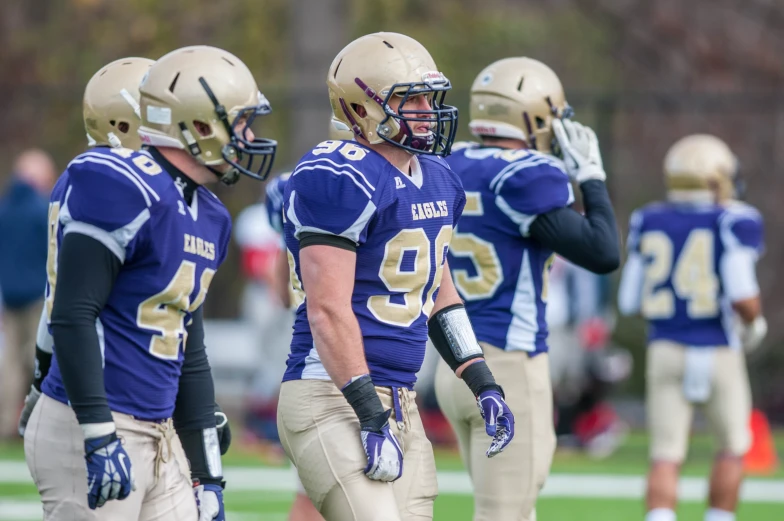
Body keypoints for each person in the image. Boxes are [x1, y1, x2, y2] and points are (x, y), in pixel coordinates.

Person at [23, 46, 277, 521]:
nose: (250, 137)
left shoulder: (212, 216)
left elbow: (190, 349)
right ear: (200, 126)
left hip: (160, 430)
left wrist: (208, 475)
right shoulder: (116, 182)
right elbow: (73, 313)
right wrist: (97, 432)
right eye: (242, 123)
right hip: (94, 422)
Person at [276, 32, 515, 521]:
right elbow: (327, 310)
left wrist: (484, 381)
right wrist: (368, 410)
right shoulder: (338, 174)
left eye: (431, 97)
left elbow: (439, 294)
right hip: (332, 393)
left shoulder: (440, 178)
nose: (428, 110)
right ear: (362, 109)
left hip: (401, 400)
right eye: (412, 100)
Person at [434, 57, 620, 521]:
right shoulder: (527, 175)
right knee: (505, 514)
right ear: (535, 117)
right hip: (508, 366)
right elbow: (602, 252)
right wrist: (592, 179)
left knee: (514, 508)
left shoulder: (446, 162)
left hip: (451, 364)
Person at [617, 134, 765, 521]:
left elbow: (630, 301)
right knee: (732, 447)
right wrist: (754, 324)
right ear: (718, 177)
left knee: (666, 453)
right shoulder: (735, 219)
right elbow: (743, 294)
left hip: (665, 346)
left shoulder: (648, 218)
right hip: (717, 346)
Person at [263, 117, 353, 521]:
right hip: (339, 354)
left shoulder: (294, 184)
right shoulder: (360, 187)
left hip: (311, 346)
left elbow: (280, 288)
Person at [0, 148, 56, 438]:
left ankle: (7, 424)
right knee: (38, 362)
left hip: (9, 300)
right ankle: (37, 424)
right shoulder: (43, 209)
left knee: (11, 367)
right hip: (38, 299)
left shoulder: (4, 208)